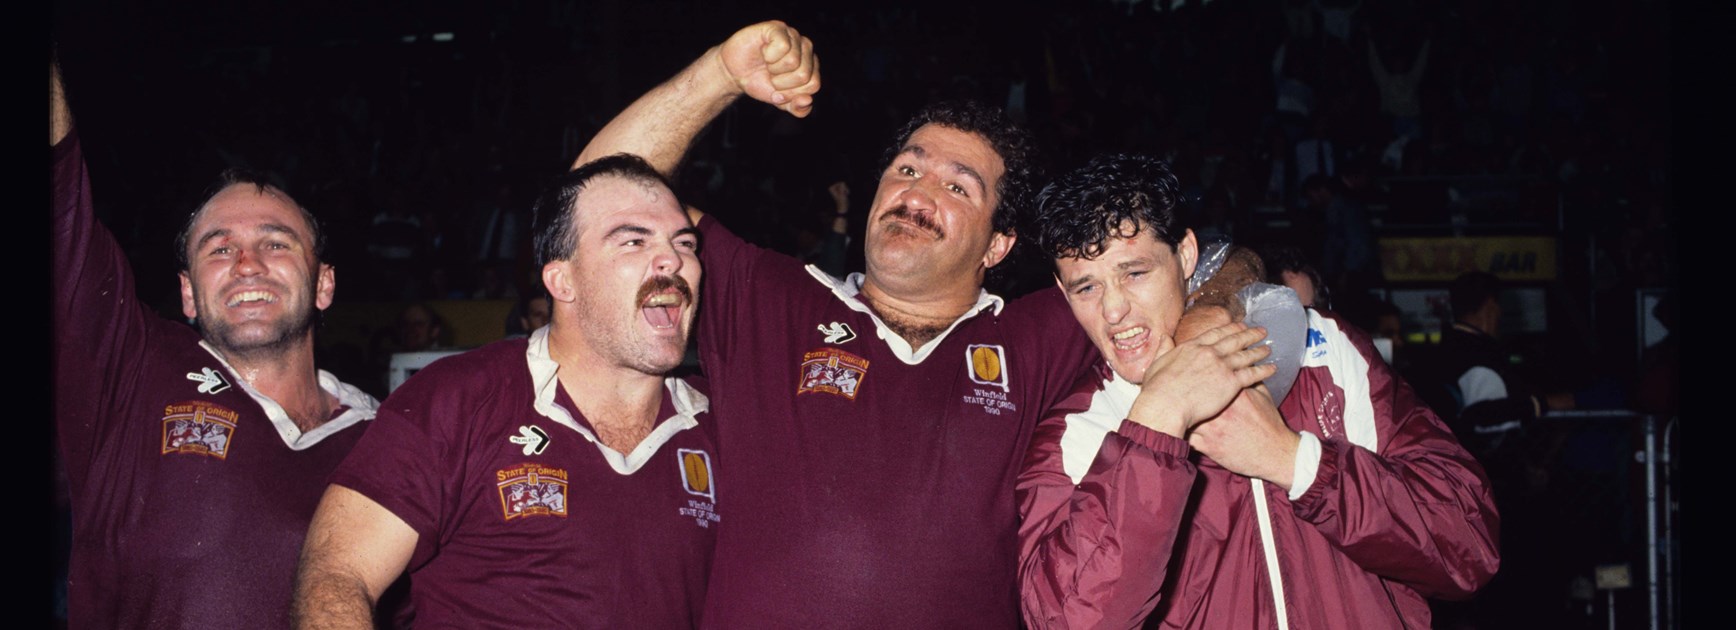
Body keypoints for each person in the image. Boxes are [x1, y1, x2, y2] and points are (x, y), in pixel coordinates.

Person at [574, 22, 1263, 627]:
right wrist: (719, 74)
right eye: (907, 169)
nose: (917, 193)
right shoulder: (770, 300)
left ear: (998, 246)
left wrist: (1203, 320)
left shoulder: (1038, 335)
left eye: (957, 186)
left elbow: (1228, 261)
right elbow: (599, 199)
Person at [1018, 154, 1500, 629]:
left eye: (1135, 273)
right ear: (1063, 293)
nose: (1114, 310)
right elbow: (1067, 620)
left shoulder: (1324, 349)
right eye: (1087, 288)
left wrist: (1295, 460)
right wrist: (1155, 423)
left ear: (1186, 255)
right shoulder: (1076, 433)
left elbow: (1469, 544)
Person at [292, 154, 718, 627]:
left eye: (684, 243)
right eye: (634, 240)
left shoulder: (723, 423)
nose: (674, 259)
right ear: (562, 280)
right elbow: (336, 574)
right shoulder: (458, 398)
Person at [51, 59, 379, 628]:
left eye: (276, 244)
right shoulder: (130, 373)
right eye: (219, 249)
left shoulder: (391, 440)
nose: (247, 264)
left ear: (324, 282)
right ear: (187, 293)